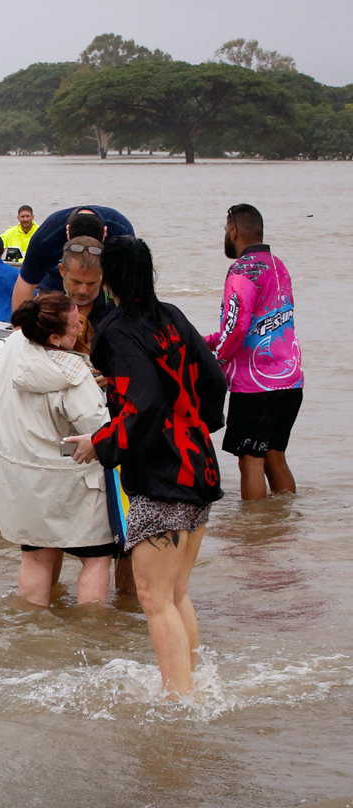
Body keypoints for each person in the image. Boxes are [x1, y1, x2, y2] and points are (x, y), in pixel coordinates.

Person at [67, 237, 227, 698]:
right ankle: (193, 687)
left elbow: (145, 404)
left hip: (163, 475)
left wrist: (100, 443)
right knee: (176, 594)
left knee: (155, 599)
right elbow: (213, 377)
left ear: (107, 280)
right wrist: (200, 425)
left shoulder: (116, 330)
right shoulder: (172, 315)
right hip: (198, 467)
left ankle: (178, 702)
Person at [0, 292, 113, 606]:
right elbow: (100, 429)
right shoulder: (73, 375)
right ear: (54, 336)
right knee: (96, 559)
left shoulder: (10, 348)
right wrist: (95, 388)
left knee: (37, 559)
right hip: (73, 482)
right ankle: (93, 637)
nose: (80, 327)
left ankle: (31, 631)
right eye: (74, 324)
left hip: (21, 477)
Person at [206, 203, 304, 501]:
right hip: (290, 381)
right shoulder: (278, 265)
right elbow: (258, 323)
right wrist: (206, 340)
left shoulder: (241, 269)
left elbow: (236, 329)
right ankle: (282, 527)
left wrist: (216, 363)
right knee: (275, 456)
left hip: (255, 387)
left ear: (234, 230)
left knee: (250, 460)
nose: (225, 235)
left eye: (226, 230)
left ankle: (254, 537)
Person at [11, 205, 135, 311]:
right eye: (77, 283)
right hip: (55, 285)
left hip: (101, 287)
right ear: (67, 231)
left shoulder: (122, 233)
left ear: (105, 233)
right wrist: (20, 330)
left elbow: (130, 284)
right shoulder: (45, 238)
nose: (82, 291)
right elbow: (26, 283)